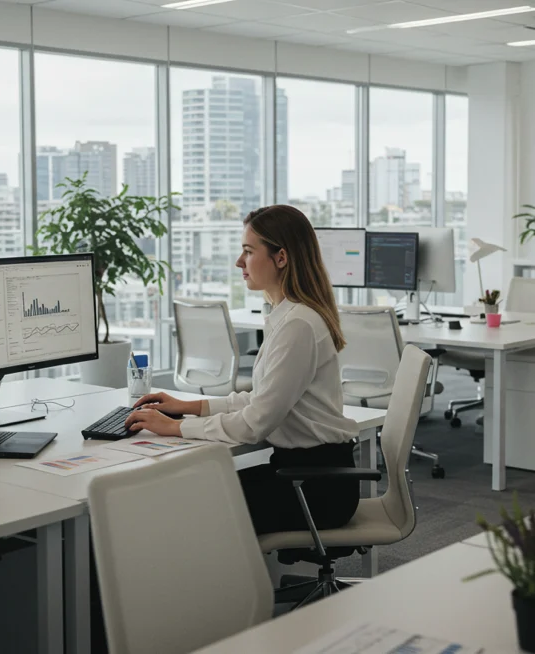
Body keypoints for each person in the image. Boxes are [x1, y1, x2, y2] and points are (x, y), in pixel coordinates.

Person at [127, 204, 360, 535]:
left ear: (281, 258)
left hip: (315, 489)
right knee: (194, 491)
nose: (239, 262)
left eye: (249, 252)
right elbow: (258, 401)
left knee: (187, 504)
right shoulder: (286, 317)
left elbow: (253, 424)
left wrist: (175, 428)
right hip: (299, 476)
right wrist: (187, 407)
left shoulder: (299, 326)